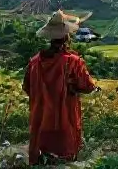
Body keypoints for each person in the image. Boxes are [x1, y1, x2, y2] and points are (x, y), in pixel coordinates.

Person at [23, 10, 97, 165]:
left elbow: (27, 88)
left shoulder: (34, 62)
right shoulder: (74, 62)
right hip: (64, 123)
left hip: (40, 123)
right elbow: (88, 86)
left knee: (41, 161)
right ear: (66, 37)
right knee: (63, 161)